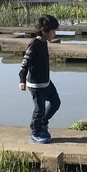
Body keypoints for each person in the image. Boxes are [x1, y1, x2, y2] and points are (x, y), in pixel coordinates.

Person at [19, 15, 61, 144]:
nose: (55, 34)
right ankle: (35, 132)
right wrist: (22, 80)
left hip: (46, 82)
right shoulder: (34, 44)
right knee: (39, 110)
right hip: (36, 85)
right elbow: (25, 63)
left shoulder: (44, 43)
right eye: (53, 31)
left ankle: (42, 123)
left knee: (55, 102)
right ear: (44, 31)